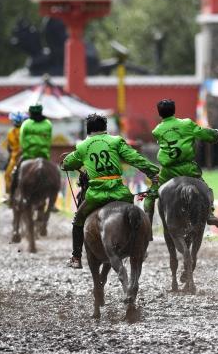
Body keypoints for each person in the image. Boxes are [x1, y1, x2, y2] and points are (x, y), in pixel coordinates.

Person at [61, 113, 159, 269]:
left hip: (95, 194)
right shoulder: (116, 141)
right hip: (119, 191)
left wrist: (66, 163)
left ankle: (76, 257)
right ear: (105, 128)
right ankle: (140, 247)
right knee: (135, 215)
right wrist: (153, 171)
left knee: (78, 219)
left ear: (88, 129)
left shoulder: (83, 146)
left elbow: (67, 164)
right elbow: (135, 158)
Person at [143, 99, 218, 228]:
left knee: (150, 195)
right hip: (188, 168)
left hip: (168, 171)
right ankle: (209, 213)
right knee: (205, 188)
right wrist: (216, 135)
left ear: (159, 114)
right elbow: (205, 134)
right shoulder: (186, 124)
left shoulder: (157, 131)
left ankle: (147, 226)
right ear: (174, 110)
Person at [8, 104, 52, 205]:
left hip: (28, 155)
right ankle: (51, 201)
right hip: (43, 156)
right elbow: (49, 140)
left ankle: (11, 196)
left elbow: (22, 141)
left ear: (30, 112)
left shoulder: (26, 124)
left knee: (14, 173)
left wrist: (26, 150)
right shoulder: (48, 124)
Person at [2, 112, 26, 194]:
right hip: (26, 154)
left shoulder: (11, 132)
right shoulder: (25, 129)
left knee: (7, 175)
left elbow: (9, 148)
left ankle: (8, 194)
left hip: (15, 157)